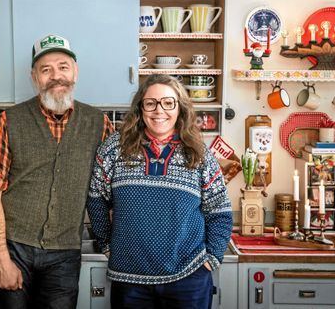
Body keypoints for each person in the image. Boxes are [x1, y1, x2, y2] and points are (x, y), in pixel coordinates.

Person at [0, 34, 114, 309]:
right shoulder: (8, 121)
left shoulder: (99, 123)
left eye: (63, 67)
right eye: (46, 69)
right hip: (13, 247)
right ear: (34, 77)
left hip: (65, 254)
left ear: (75, 72)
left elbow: (113, 188)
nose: (56, 76)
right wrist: (1, 259)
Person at [87, 74, 233, 309]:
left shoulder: (199, 153)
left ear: (180, 108)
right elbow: (96, 198)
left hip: (188, 278)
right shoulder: (114, 148)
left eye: (168, 103)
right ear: (140, 108)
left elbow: (220, 211)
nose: (159, 110)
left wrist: (213, 257)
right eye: (151, 103)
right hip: (129, 279)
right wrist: (105, 244)